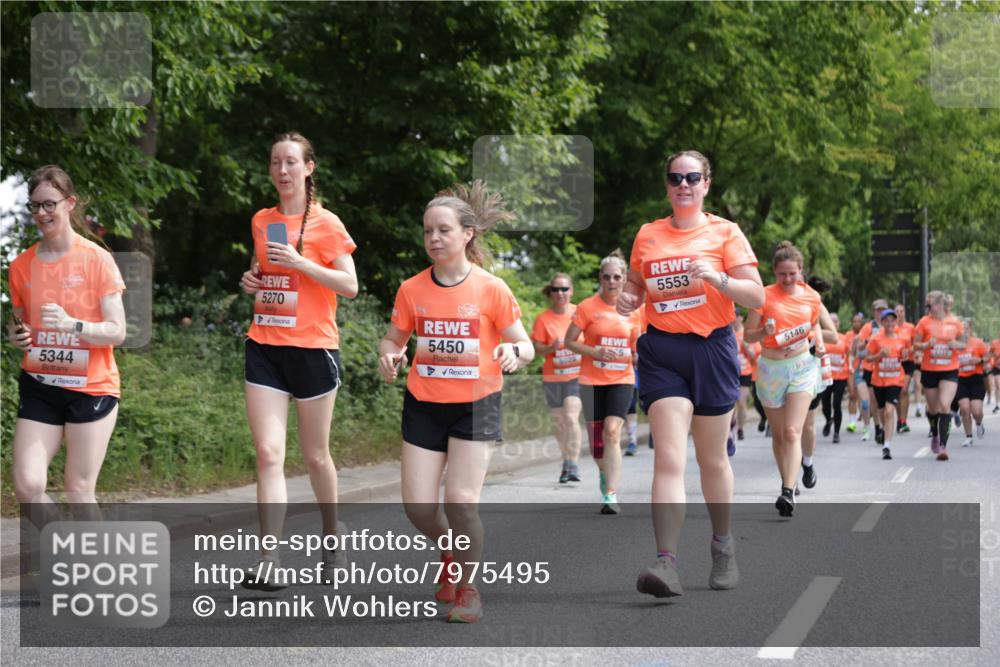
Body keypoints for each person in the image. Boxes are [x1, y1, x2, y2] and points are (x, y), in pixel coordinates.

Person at [377, 180, 532, 623]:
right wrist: (388, 357)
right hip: (425, 404)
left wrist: (512, 353)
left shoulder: (491, 289)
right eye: (427, 231)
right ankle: (451, 552)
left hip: (475, 404)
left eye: (443, 230)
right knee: (419, 508)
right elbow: (393, 339)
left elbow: (524, 344)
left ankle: (468, 589)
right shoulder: (412, 289)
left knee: (461, 502)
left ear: (467, 234)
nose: (433, 239)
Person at [618, 150, 764, 597]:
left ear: (705, 185)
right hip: (663, 351)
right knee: (668, 457)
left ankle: (723, 544)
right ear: (667, 186)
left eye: (692, 177)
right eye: (675, 178)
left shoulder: (725, 232)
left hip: (713, 348)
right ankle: (667, 562)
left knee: (712, 459)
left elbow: (756, 296)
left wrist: (719, 279)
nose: (683, 184)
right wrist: (628, 299)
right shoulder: (648, 235)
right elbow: (636, 286)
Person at [239, 132, 358, 588]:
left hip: (313, 349)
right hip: (265, 344)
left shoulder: (327, 224)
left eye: (291, 162)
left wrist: (302, 263)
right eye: (275, 162)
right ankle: (270, 559)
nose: (282, 170)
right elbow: (264, 269)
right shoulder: (262, 219)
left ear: (309, 169)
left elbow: (349, 286)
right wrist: (253, 279)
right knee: (269, 454)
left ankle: (332, 534)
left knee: (315, 457)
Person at [8, 166, 127, 525]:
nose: (41, 213)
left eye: (49, 204)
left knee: (78, 488)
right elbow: (20, 326)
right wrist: (16, 337)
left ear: (69, 203)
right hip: (41, 385)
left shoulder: (96, 259)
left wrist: (73, 325)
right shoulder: (21, 266)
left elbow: (117, 331)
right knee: (28, 486)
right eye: (34, 206)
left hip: (90, 389)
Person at [744, 241, 824, 517]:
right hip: (770, 369)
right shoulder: (763, 296)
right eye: (782, 275)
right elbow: (747, 335)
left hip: (802, 367)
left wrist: (813, 340)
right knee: (778, 434)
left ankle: (788, 492)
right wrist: (763, 331)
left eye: (793, 274)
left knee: (792, 431)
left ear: (801, 271)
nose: (788, 279)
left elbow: (812, 326)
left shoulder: (811, 297)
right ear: (775, 273)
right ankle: (787, 477)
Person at [564, 250, 641, 514]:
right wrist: (593, 352)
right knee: (598, 446)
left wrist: (638, 355)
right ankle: (604, 473)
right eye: (607, 277)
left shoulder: (634, 310)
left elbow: (636, 346)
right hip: (591, 380)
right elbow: (569, 342)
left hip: (622, 378)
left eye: (617, 277)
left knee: (612, 432)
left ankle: (610, 494)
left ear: (624, 279)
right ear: (600, 277)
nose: (611, 282)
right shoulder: (587, 307)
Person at [530, 273, 583, 483]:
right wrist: (550, 347)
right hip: (552, 378)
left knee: (571, 416)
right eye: (556, 289)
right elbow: (536, 350)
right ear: (550, 293)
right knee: (560, 423)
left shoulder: (581, 313)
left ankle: (574, 463)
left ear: (571, 291)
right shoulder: (543, 318)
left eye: (564, 289)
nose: (560, 293)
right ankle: (566, 461)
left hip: (576, 376)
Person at [912, 291, 963, 460]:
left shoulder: (955, 322)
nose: (928, 307)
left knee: (944, 405)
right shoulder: (924, 322)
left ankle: (943, 446)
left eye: (930, 304)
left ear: (940, 305)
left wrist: (957, 344)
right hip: (929, 370)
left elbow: (965, 343)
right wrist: (926, 344)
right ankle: (935, 433)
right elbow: (915, 345)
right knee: (933, 409)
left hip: (950, 369)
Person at [865, 309, 908, 460]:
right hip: (879, 380)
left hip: (895, 380)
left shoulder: (901, 339)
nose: (890, 323)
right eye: (887, 321)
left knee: (890, 411)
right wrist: (880, 355)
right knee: (883, 412)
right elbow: (868, 359)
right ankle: (884, 429)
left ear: (895, 322)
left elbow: (906, 355)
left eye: (892, 320)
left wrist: (905, 355)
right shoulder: (876, 339)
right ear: (882, 322)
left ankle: (887, 446)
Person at [855, 298, 889, 444]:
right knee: (873, 401)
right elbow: (859, 349)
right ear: (874, 312)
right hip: (870, 368)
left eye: (883, 310)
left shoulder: (891, 327)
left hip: (888, 369)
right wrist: (869, 341)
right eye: (878, 310)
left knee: (886, 403)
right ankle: (878, 428)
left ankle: (885, 427)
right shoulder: (869, 327)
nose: (880, 312)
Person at [953, 318, 988, 446]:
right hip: (961, 380)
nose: (964, 332)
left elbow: (988, 357)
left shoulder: (978, 343)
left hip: (976, 379)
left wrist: (978, 360)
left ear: (970, 330)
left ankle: (979, 424)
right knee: (964, 408)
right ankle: (969, 437)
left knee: (977, 411)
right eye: (962, 329)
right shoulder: (955, 345)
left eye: (966, 329)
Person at [821, 313, 851, 444]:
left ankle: (837, 433)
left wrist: (850, 365)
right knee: (825, 404)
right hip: (826, 375)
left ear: (838, 324)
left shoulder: (844, 339)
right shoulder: (822, 338)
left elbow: (849, 355)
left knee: (837, 403)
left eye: (836, 321)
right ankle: (828, 420)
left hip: (841, 376)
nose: (833, 324)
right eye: (831, 321)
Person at [894, 303, 916, 433]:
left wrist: (909, 350)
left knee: (904, 390)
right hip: (895, 363)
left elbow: (916, 343)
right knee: (897, 392)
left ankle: (903, 420)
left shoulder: (910, 327)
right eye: (897, 311)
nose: (899, 313)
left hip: (908, 362)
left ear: (904, 313)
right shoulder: (891, 328)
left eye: (901, 311)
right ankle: (899, 419)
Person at [844, 313, 865, 433]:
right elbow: (846, 352)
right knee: (852, 394)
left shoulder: (865, 335)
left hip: (863, 369)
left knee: (862, 396)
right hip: (850, 368)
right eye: (854, 321)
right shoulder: (848, 335)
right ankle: (852, 422)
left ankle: (862, 414)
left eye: (858, 321)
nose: (856, 323)